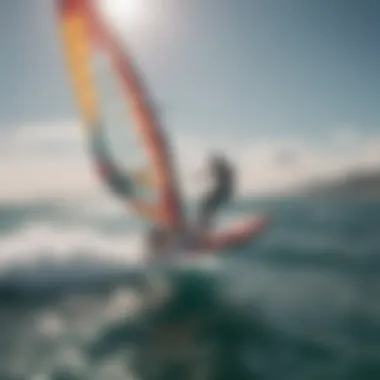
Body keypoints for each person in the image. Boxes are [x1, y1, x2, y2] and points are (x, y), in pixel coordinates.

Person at [197, 153, 235, 230]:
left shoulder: (222, 169)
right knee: (206, 206)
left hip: (223, 191)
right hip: (223, 191)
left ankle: (206, 226)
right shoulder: (222, 169)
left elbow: (215, 175)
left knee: (207, 205)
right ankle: (206, 224)